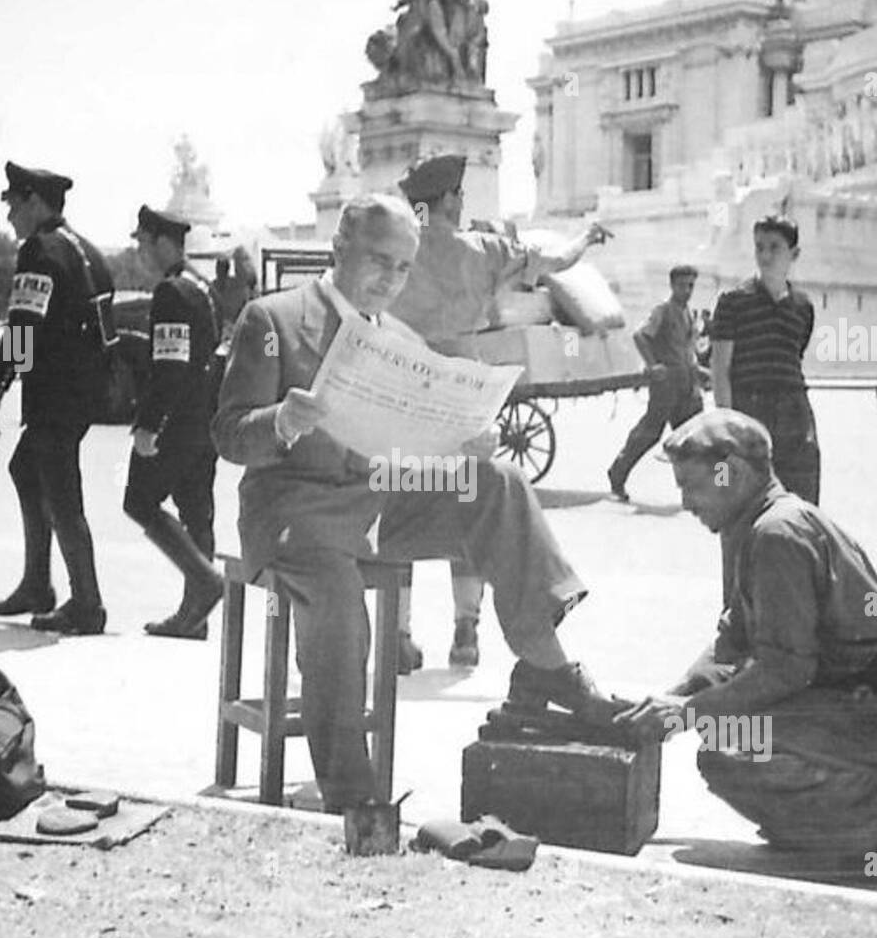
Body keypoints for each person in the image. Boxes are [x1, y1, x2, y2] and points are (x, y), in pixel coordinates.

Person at [213, 193, 621, 813]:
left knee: (499, 481)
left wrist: (464, 440)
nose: (390, 280)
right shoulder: (272, 320)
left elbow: (414, 437)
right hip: (298, 512)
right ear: (339, 248)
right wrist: (282, 420)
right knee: (337, 604)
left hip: (383, 496)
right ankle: (353, 797)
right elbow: (228, 435)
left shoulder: (400, 335)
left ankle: (544, 660)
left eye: (404, 268)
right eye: (379, 261)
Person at [616, 410, 877, 884]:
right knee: (725, 729)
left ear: (730, 472)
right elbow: (731, 645)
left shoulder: (777, 534)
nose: (686, 503)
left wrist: (686, 713)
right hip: (867, 711)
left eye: (691, 486)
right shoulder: (756, 524)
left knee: (728, 748)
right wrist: (664, 703)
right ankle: (847, 824)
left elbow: (784, 671)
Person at [390, 152, 610, 669]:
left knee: (400, 499)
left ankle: (397, 634)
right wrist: (587, 237)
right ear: (449, 200)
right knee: (474, 496)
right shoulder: (482, 250)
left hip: (401, 389)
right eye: (460, 195)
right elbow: (555, 264)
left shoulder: (394, 251)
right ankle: (467, 627)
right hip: (462, 391)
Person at [0, 162, 112, 635]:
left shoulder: (39, 249)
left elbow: (23, 327)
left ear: (35, 202)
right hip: (81, 392)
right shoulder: (90, 252)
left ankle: (87, 603)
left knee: (61, 495)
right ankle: (37, 582)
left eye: (14, 205)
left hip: (54, 393)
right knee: (26, 468)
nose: (10, 216)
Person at [123, 205, 226, 639]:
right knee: (195, 511)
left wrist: (149, 424)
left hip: (176, 421)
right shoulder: (203, 288)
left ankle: (203, 583)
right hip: (205, 418)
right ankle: (193, 616)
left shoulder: (171, 292)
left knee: (139, 502)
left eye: (143, 244)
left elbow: (170, 364)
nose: (141, 254)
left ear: (164, 243)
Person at [709, 215, 820, 504]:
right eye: (760, 247)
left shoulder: (803, 306)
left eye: (775, 247)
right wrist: (726, 427)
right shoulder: (732, 302)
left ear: (794, 254)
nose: (765, 255)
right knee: (737, 502)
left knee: (801, 503)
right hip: (749, 411)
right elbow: (720, 369)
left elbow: (793, 357)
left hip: (795, 414)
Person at [607, 264, 705, 500]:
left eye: (691, 285)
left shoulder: (689, 314)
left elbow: (689, 349)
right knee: (650, 433)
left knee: (693, 439)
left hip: (686, 383)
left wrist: (699, 372)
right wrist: (653, 366)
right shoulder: (663, 310)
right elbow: (640, 335)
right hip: (666, 384)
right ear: (672, 286)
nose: (687, 290)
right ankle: (618, 473)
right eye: (683, 285)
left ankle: (701, 490)